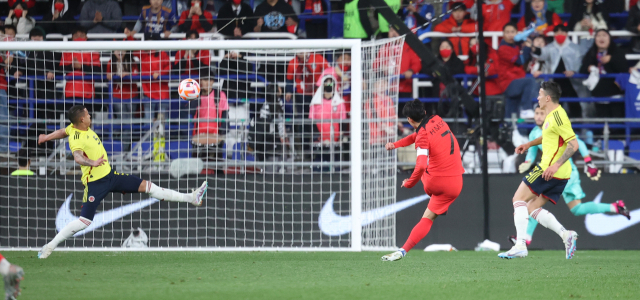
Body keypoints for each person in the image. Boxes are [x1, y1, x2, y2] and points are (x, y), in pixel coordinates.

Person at [36, 105, 208, 259]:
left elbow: (62, 132)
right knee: (84, 222)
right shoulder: (77, 138)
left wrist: (46, 137)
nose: (90, 116)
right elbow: (78, 157)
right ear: (82, 119)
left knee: (148, 187)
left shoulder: (73, 128)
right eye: (88, 115)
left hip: (111, 176)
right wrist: (92, 163)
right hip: (95, 183)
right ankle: (49, 246)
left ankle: (191, 198)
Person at [510, 104, 630, 246]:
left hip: (565, 173)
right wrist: (527, 162)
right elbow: (532, 153)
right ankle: (614, 207)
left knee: (530, 203)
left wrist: (588, 161)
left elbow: (578, 143)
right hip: (549, 172)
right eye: (536, 113)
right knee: (576, 209)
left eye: (541, 113)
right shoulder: (534, 133)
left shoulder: (556, 126)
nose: (538, 116)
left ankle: (526, 238)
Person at [498, 81, 578, 260]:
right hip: (560, 174)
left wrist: (555, 165)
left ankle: (520, 245)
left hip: (549, 170)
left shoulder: (558, 116)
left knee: (518, 199)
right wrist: (529, 144)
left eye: (540, 94)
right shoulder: (552, 115)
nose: (538, 97)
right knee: (532, 207)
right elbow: (548, 136)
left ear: (548, 98)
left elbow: (574, 144)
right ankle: (566, 235)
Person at [381, 99, 464, 261]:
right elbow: (416, 134)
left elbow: (419, 166)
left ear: (409, 120)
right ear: (425, 112)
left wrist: (409, 183)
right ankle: (402, 250)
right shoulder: (437, 120)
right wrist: (396, 144)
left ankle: (403, 250)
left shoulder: (422, 138)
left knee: (426, 170)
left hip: (435, 182)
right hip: (456, 182)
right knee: (428, 217)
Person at [531, 25, 589, 118]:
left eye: (562, 32)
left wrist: (574, 71)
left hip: (572, 82)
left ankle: (577, 129)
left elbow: (580, 64)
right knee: (553, 108)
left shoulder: (575, 48)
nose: (559, 34)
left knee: (575, 105)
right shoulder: (550, 47)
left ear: (567, 34)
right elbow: (541, 54)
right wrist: (532, 47)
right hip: (554, 82)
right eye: (557, 32)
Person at [579, 29, 627, 118]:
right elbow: (582, 69)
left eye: (604, 35)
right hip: (598, 94)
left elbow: (625, 69)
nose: (601, 38)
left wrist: (612, 59)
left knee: (617, 124)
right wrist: (589, 68)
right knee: (600, 122)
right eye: (598, 35)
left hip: (615, 93)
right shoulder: (591, 53)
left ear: (610, 39)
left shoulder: (618, 52)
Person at [498, 23, 537, 119]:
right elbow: (520, 61)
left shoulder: (516, 45)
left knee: (512, 112)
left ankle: (515, 133)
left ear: (516, 33)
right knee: (530, 81)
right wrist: (527, 47)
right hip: (508, 83)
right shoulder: (503, 48)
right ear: (503, 34)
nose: (510, 34)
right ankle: (526, 108)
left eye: (512, 32)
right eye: (507, 32)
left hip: (517, 80)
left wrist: (526, 42)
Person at [59, 28, 102, 102]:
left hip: (88, 92)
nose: (79, 38)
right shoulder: (67, 51)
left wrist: (81, 66)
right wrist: (71, 66)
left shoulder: (93, 51)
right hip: (70, 92)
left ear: (86, 37)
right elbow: (60, 69)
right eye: (76, 36)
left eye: (81, 36)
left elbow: (97, 70)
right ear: (72, 38)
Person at [251, 84, 288, 162]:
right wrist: (282, 136)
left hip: (267, 138)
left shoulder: (267, 104)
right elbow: (279, 122)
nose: (281, 89)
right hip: (271, 138)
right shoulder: (277, 104)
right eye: (279, 88)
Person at [385, 26, 421, 99]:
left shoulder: (409, 48)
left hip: (405, 87)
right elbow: (375, 64)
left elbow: (417, 63)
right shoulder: (383, 48)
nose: (394, 33)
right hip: (386, 88)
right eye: (391, 31)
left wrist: (411, 71)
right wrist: (381, 67)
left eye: (396, 31)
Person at [192, 75, 228, 147]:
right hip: (198, 133)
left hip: (216, 133)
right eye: (205, 80)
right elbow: (190, 111)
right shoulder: (194, 94)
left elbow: (225, 113)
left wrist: (222, 133)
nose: (207, 83)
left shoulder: (220, 94)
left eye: (210, 80)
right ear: (201, 81)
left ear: (213, 81)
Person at [107, 49, 140, 119]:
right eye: (117, 50)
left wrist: (128, 74)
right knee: (121, 118)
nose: (120, 52)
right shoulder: (110, 62)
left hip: (131, 94)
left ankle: (128, 130)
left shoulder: (132, 61)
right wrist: (111, 75)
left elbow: (136, 75)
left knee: (131, 118)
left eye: (123, 50)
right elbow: (108, 76)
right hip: (117, 95)